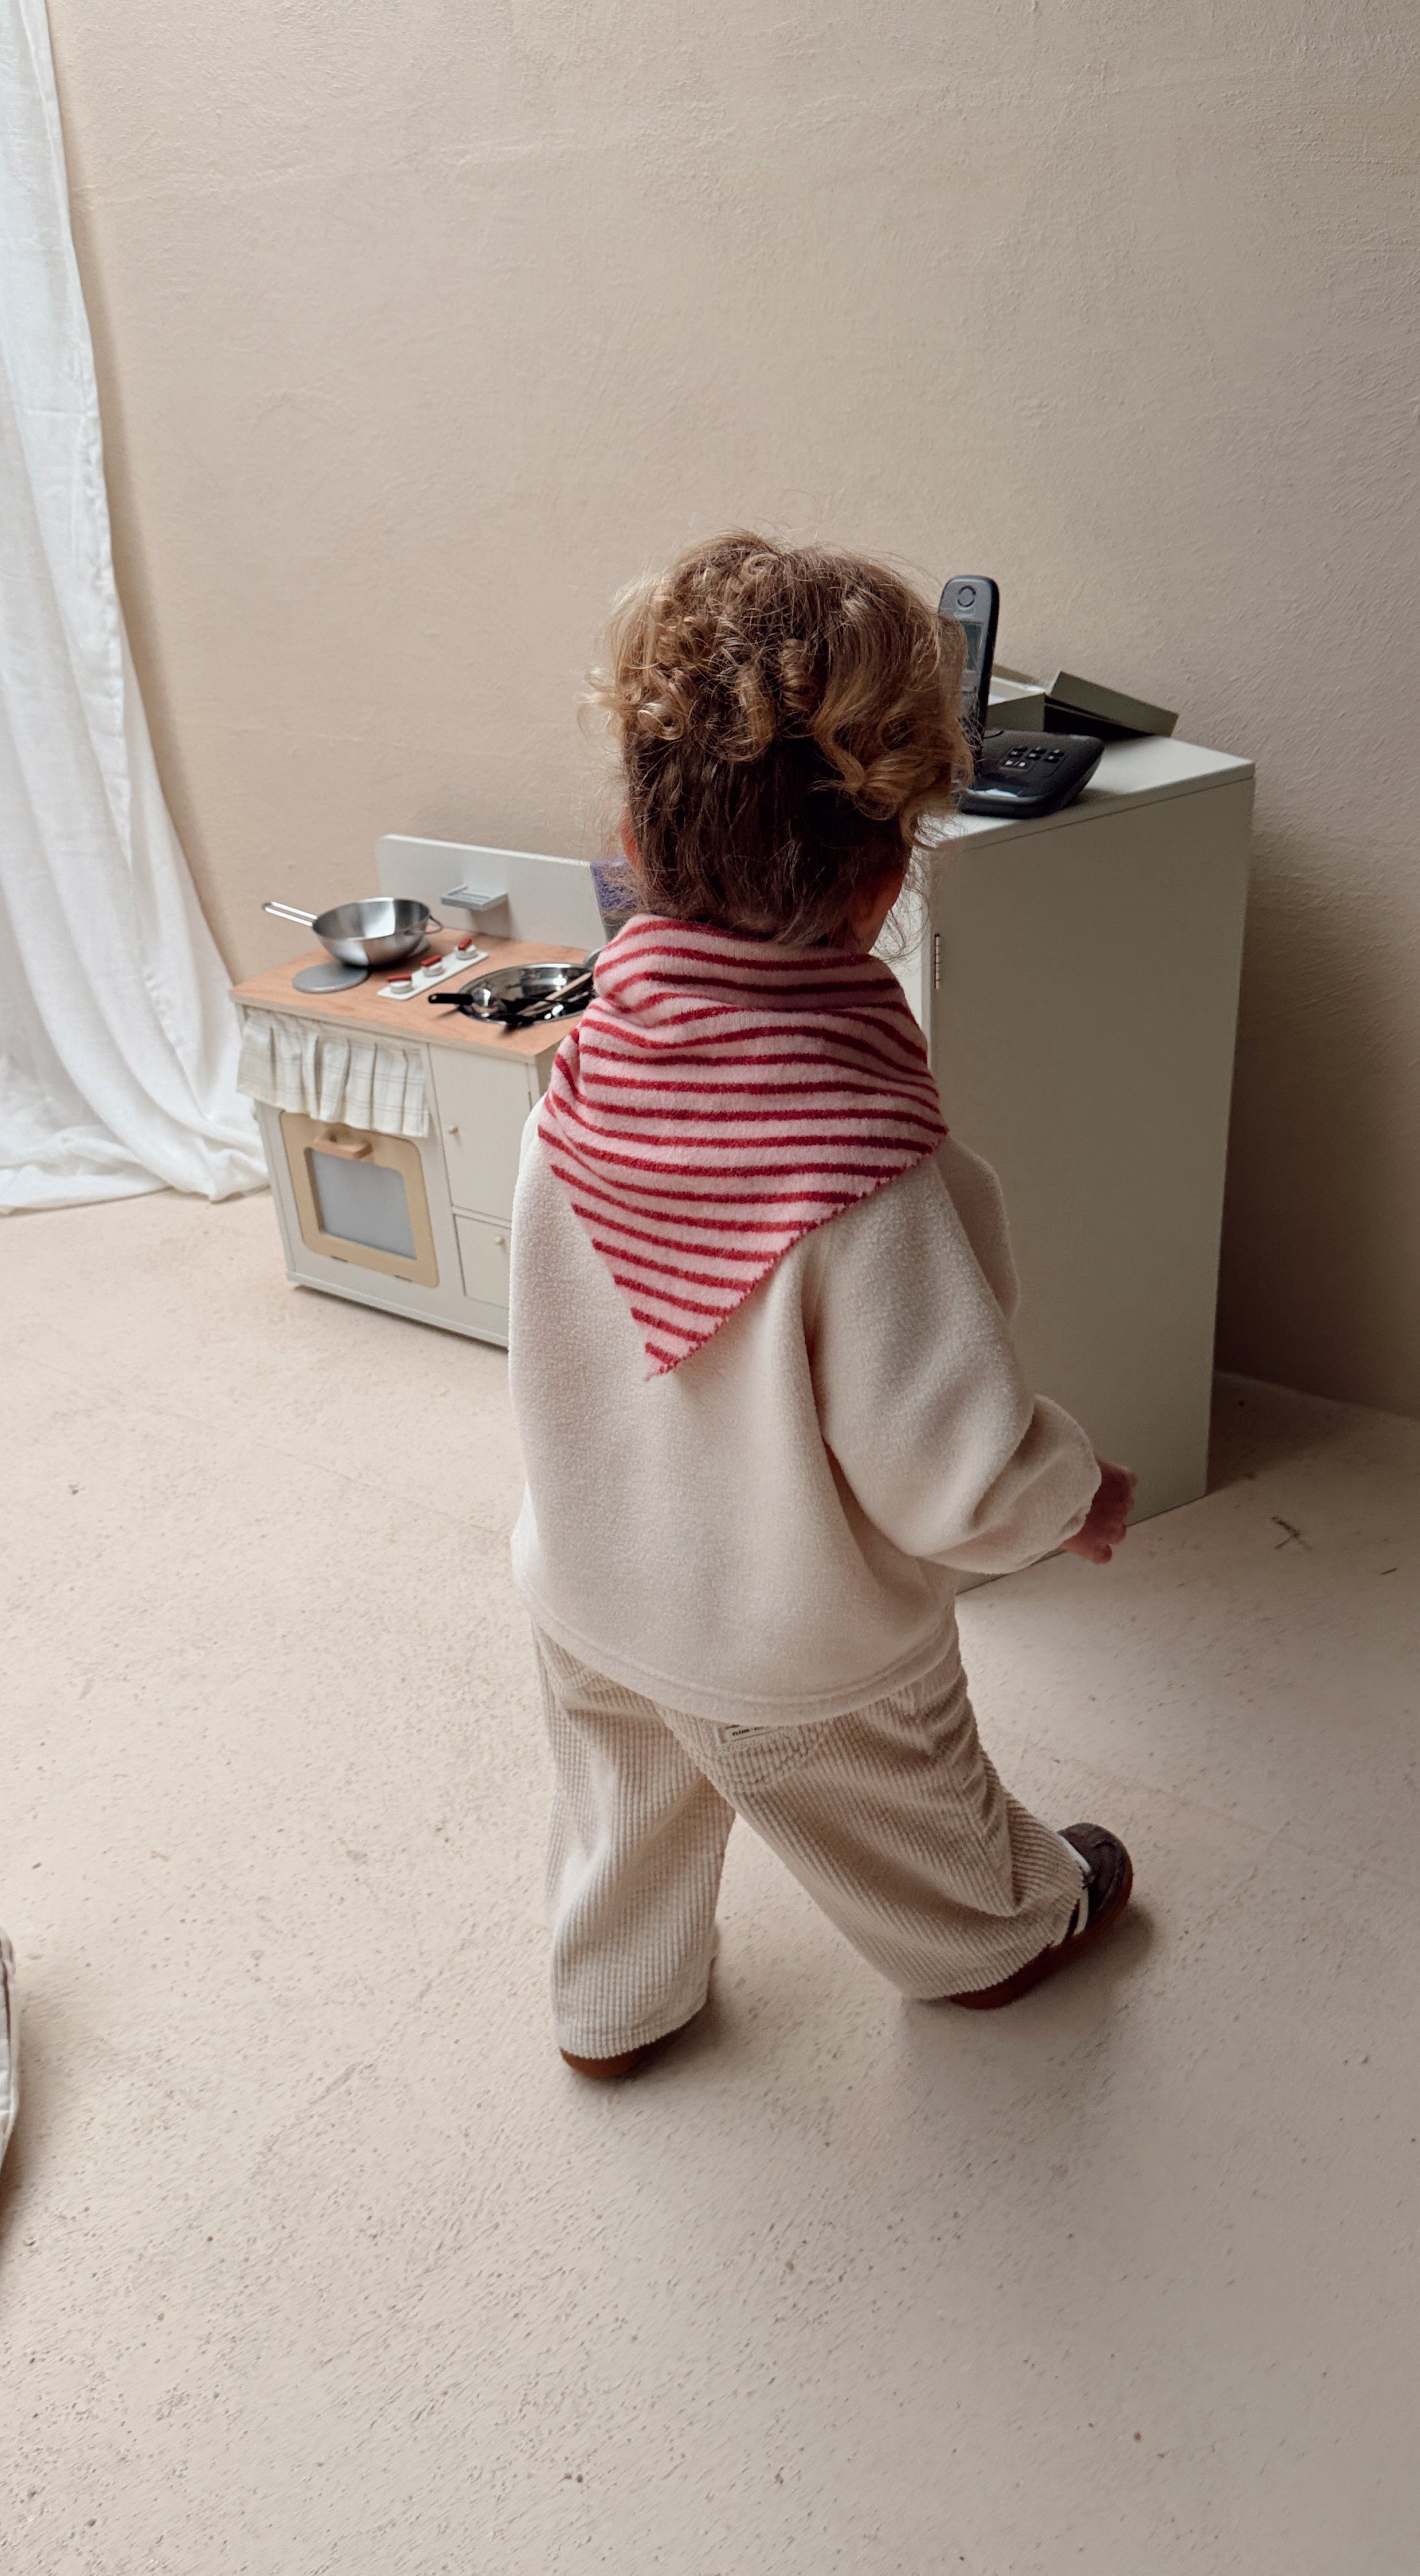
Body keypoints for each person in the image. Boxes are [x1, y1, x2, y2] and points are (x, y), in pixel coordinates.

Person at [508, 532, 1137, 2080]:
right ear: (879, 869)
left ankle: (615, 2006)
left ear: (639, 837)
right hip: (799, 1649)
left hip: (590, 1590)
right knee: (923, 1820)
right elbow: (952, 1468)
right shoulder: (868, 1171)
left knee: (624, 1816)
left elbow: (580, 1346)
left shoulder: (584, 1074)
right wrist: (1073, 1494)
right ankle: (1001, 1941)